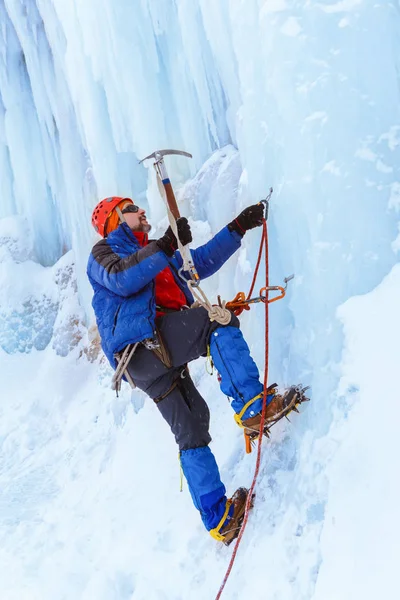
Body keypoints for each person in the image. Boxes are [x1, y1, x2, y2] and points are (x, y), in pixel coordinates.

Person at [87, 196, 295, 545]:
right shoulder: (104, 254)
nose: (141, 211)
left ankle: (220, 518)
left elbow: (197, 264)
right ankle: (253, 406)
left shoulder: (155, 254)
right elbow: (124, 278)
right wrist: (165, 244)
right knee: (213, 322)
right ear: (114, 221)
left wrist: (237, 227)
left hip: (148, 361)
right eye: (131, 209)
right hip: (145, 345)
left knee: (193, 425)